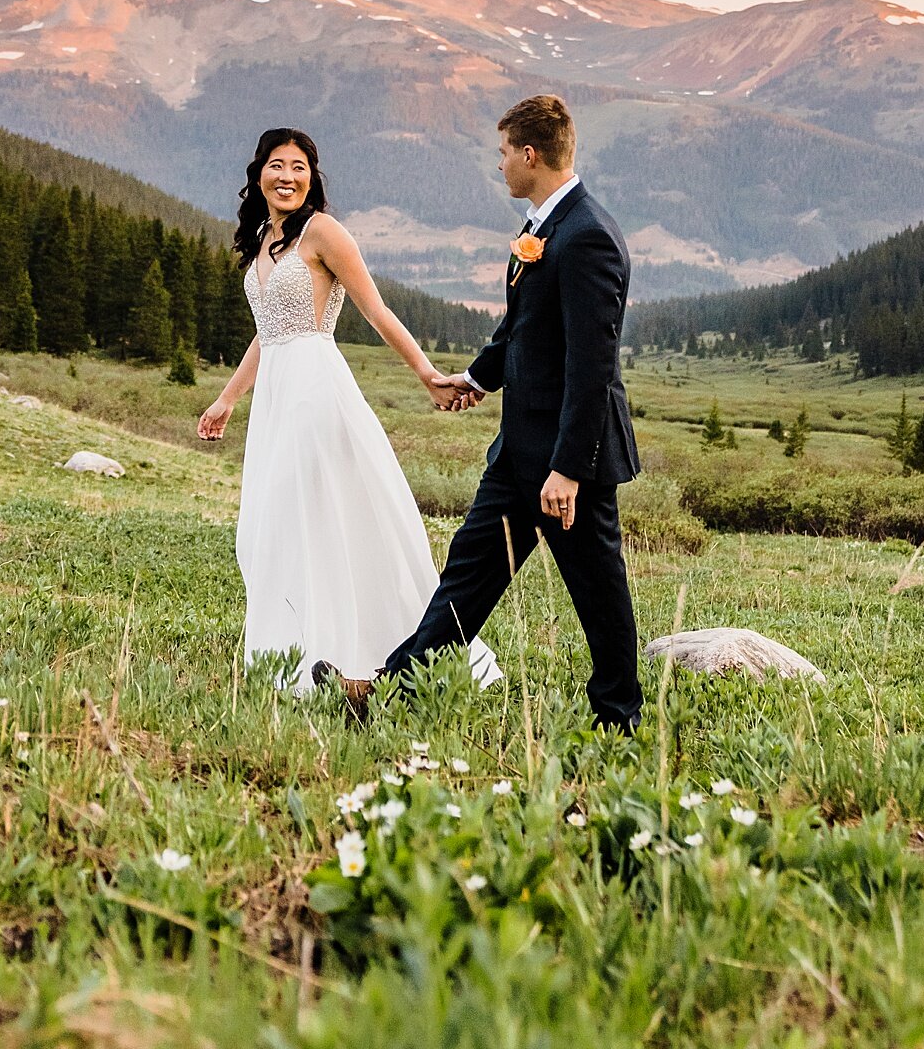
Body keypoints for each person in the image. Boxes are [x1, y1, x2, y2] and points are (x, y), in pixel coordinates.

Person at [319, 94, 642, 731]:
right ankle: (386, 695)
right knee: (464, 582)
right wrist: (472, 379)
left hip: (565, 464)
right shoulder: (546, 227)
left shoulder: (587, 237)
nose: (499, 166)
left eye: (503, 154)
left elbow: (590, 365)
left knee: (598, 593)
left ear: (530, 154)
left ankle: (619, 720)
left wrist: (569, 469)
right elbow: (522, 329)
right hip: (517, 453)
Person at [198, 128, 498, 693]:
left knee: (318, 515)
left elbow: (377, 310)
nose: (287, 177)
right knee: (273, 524)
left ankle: (348, 654)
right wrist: (228, 398)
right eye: (276, 165)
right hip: (275, 400)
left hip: (315, 389)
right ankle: (290, 653)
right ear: (257, 174)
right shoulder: (265, 237)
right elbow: (269, 332)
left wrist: (428, 375)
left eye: (300, 167)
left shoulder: (323, 232)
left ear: (312, 177)